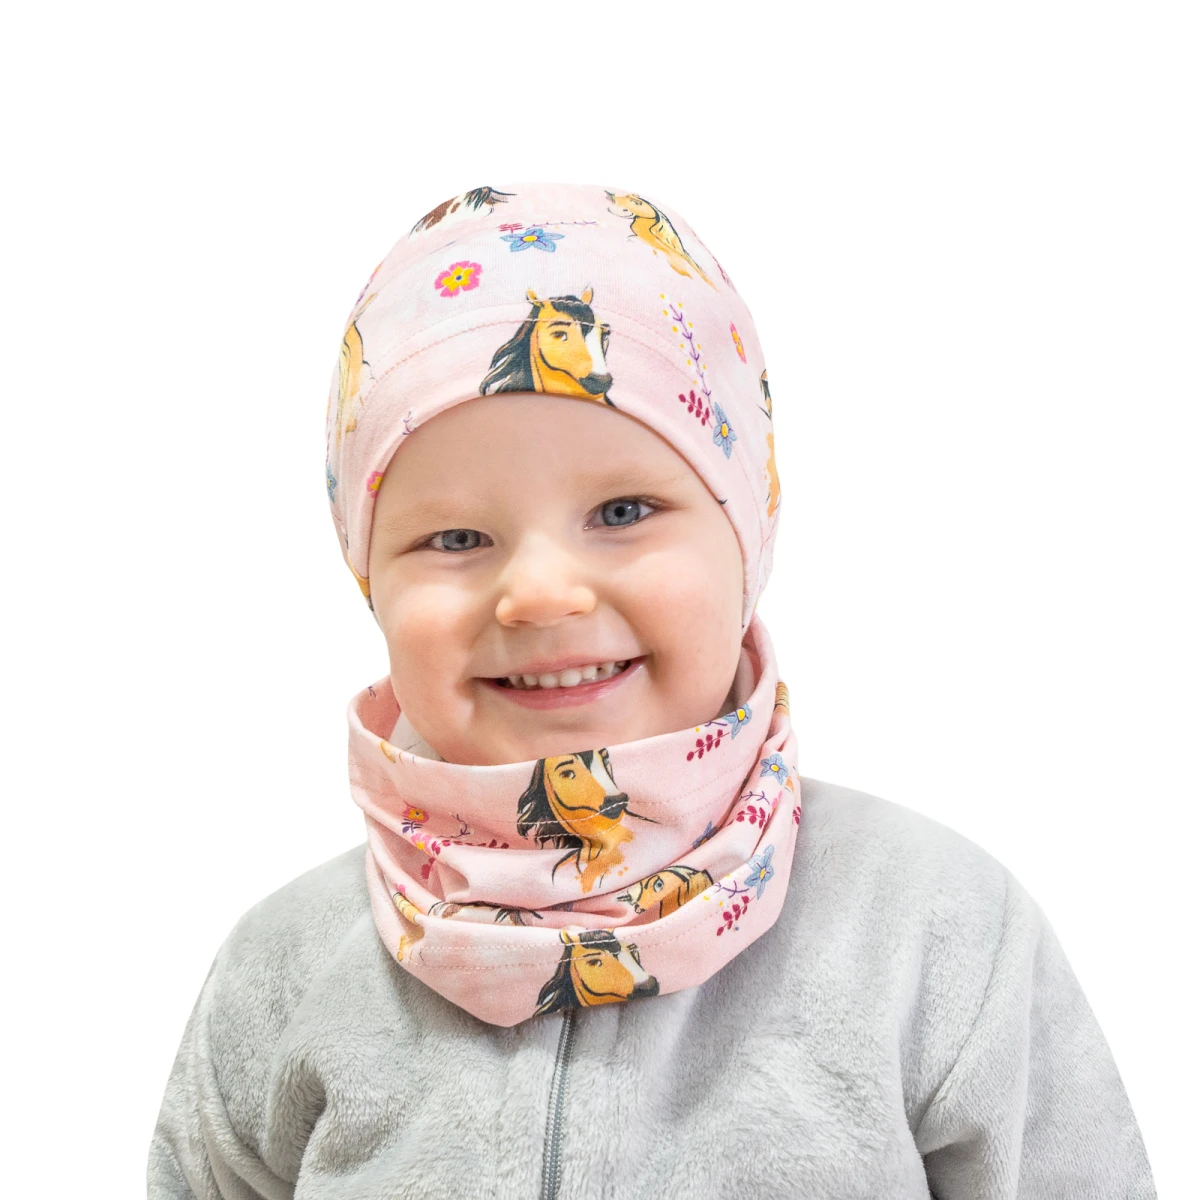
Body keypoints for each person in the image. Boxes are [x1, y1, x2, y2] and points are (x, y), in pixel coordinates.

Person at [147, 181, 1156, 1198]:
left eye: (624, 510)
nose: (541, 593)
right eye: (455, 537)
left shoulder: (932, 934)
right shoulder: (280, 973)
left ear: (745, 532)